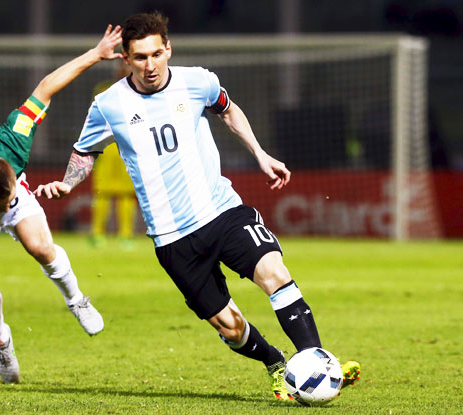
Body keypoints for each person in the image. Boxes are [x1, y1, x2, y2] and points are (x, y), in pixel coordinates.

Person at [35, 12, 360, 400]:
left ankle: (317, 362)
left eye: (157, 54)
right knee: (229, 327)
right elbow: (84, 151)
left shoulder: (198, 82)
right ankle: (276, 364)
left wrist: (259, 152)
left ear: (169, 48)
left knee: (274, 272)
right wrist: (67, 182)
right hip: (173, 239)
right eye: (140, 57)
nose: (151, 65)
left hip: (222, 212)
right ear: (126, 58)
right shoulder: (109, 105)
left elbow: (228, 109)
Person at [0, 24, 123, 384]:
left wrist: (96, 53)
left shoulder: (14, 140)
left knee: (40, 246)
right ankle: (2, 340)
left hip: (2, 185)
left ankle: (77, 299)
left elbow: (46, 85)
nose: (6, 211)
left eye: (9, 202)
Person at [89, 63, 137, 248]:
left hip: (128, 146)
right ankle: (97, 233)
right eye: (122, 68)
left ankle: (125, 235)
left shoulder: (140, 91)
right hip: (107, 147)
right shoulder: (104, 89)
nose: (124, 71)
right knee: (102, 192)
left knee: (126, 193)